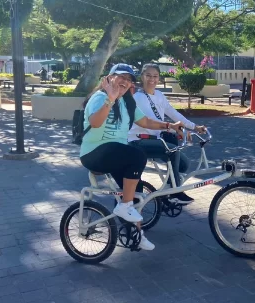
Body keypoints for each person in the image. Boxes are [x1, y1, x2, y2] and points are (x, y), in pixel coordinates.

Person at [79, 64, 185, 250]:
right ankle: (124, 206)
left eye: (129, 79)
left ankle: (136, 234)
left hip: (115, 154)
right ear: (110, 78)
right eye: (121, 77)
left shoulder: (127, 101)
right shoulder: (99, 98)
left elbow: (145, 122)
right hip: (94, 154)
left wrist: (169, 126)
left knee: (135, 190)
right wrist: (110, 99)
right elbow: (95, 123)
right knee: (137, 155)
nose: (125, 82)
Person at [129, 63, 207, 204]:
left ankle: (166, 192)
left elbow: (174, 114)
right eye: (148, 76)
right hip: (138, 140)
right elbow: (149, 122)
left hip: (155, 138)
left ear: (159, 78)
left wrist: (194, 127)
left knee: (184, 165)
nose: (152, 79)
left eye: (155, 76)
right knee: (172, 150)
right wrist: (172, 128)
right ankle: (174, 192)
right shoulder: (137, 98)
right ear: (142, 77)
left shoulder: (159, 95)